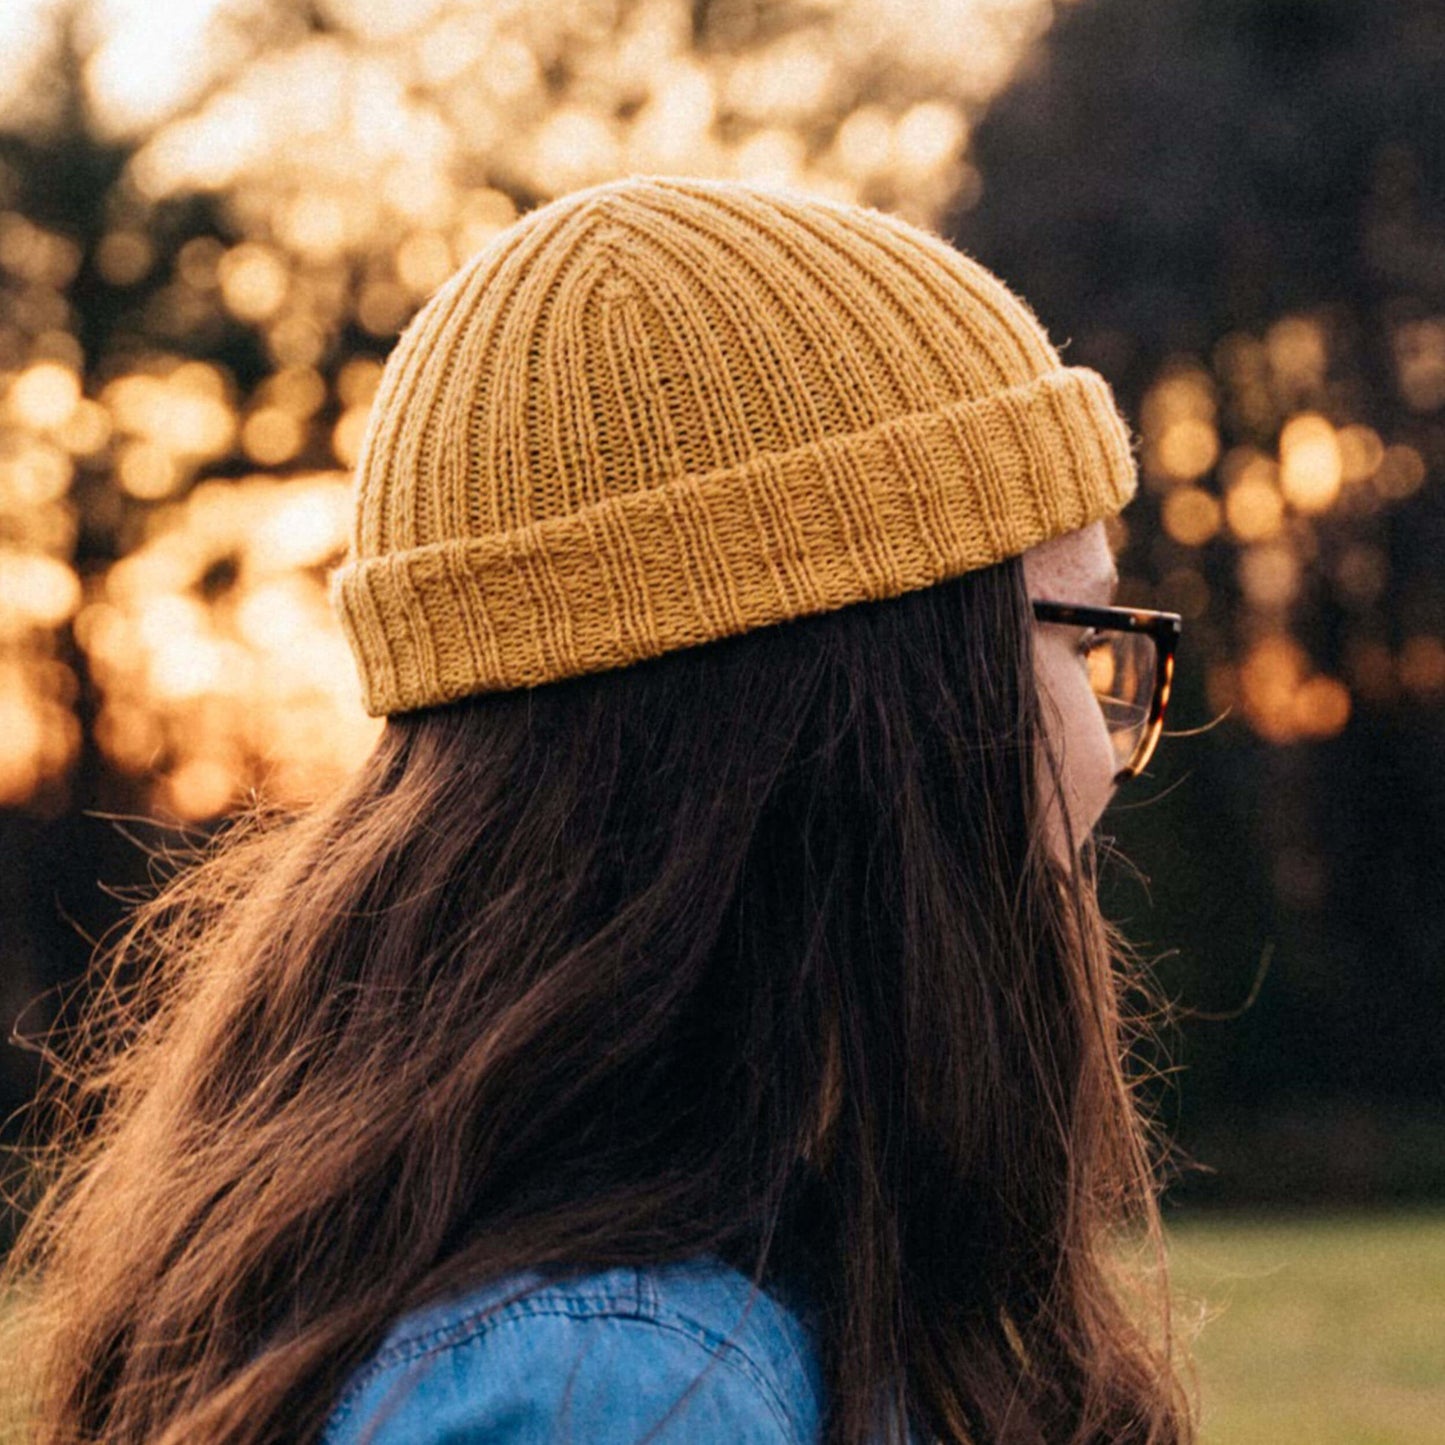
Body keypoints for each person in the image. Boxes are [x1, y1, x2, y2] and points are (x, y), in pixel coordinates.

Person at [2, 174, 1197, 1443]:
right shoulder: (615, 1390)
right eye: (1075, 634)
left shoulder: (570, 1294)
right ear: (857, 718)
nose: (1107, 734)